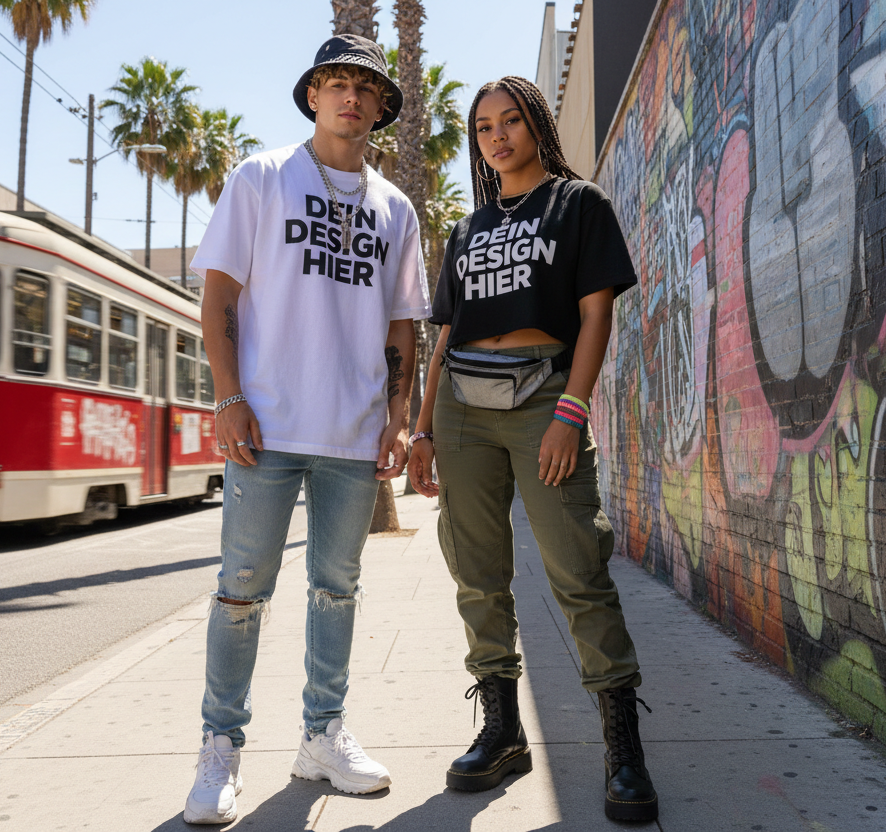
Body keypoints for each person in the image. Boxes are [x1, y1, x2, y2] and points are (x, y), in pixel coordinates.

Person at [182, 34, 431, 825]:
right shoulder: (262, 177)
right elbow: (219, 298)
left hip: (353, 437)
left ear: (381, 108)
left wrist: (397, 417)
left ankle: (322, 737)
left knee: (338, 590)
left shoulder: (395, 209)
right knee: (241, 591)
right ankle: (219, 750)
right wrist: (228, 400)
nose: (349, 97)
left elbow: (403, 328)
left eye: (364, 86)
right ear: (314, 96)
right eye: (334, 83)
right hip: (266, 426)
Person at [406, 76, 657, 822]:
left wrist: (571, 412)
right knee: (477, 574)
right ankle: (502, 729)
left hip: (544, 395)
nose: (497, 136)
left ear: (536, 125)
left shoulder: (579, 205)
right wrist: (421, 429)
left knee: (577, 567)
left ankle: (623, 749)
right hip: (462, 410)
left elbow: (594, 316)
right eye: (483, 127)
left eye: (510, 120)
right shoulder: (467, 228)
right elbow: (444, 334)